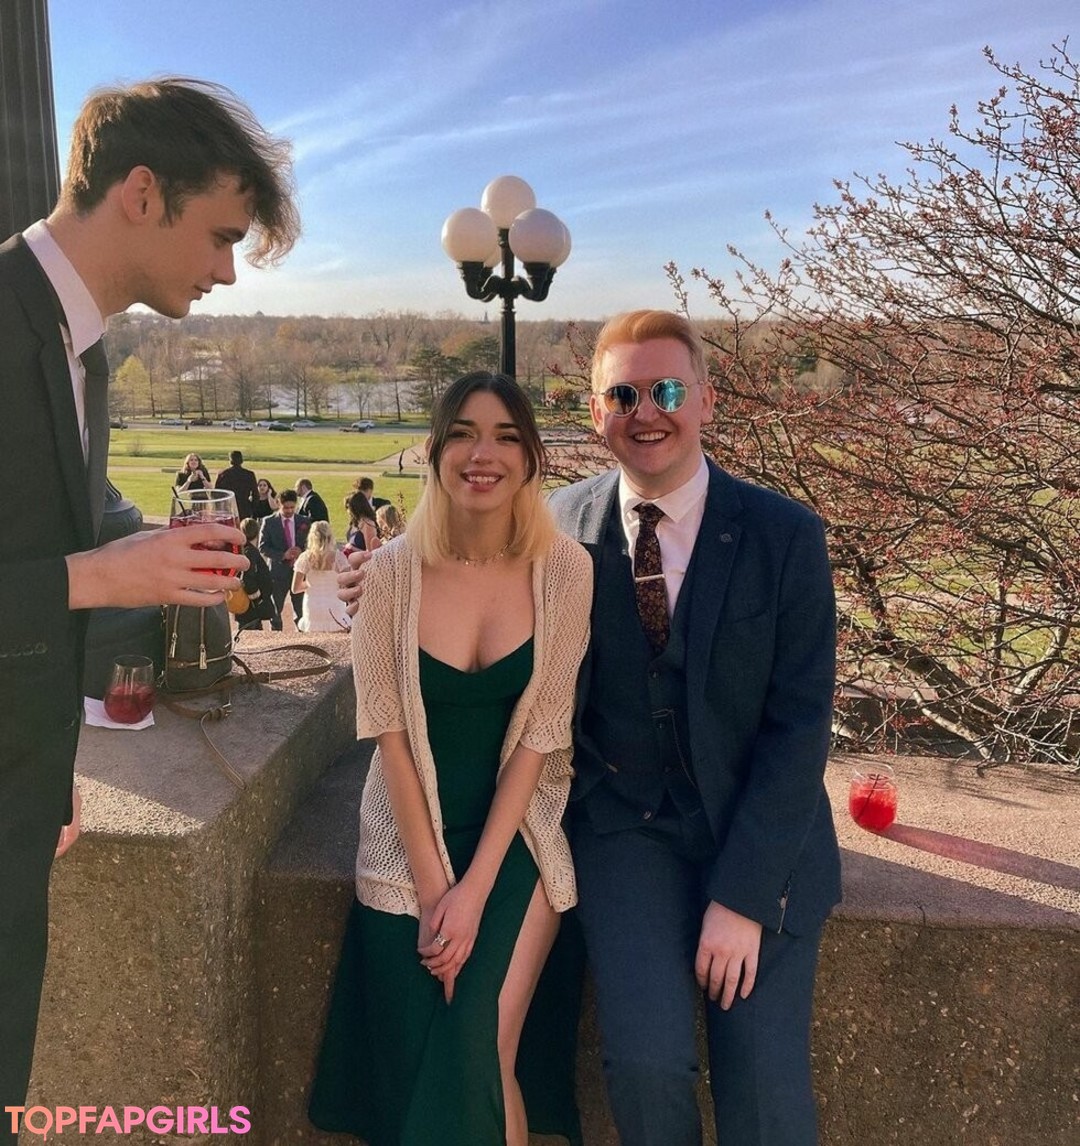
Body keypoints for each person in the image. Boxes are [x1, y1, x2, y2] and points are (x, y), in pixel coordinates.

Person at [0, 75, 297, 1131]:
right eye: (221, 236)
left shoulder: (80, 350)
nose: (226, 271)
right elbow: (66, 574)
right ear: (140, 193)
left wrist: (47, 769)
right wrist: (102, 577)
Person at [547, 310, 841, 1145]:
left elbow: (799, 726)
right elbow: (470, 587)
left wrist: (743, 898)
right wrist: (378, 583)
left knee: (764, 1095)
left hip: (757, 833)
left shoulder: (785, 537)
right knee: (645, 1068)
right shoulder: (558, 527)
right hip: (623, 830)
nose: (647, 412)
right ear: (596, 412)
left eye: (668, 391)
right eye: (623, 395)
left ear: (707, 399)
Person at [309, 372, 592, 1146]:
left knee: (478, 1045)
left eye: (506, 436)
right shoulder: (389, 574)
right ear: (434, 452)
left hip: (516, 836)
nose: (482, 453)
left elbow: (540, 737)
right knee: (417, 1065)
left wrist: (473, 897)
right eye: (463, 433)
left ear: (531, 459)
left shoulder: (566, 570)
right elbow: (390, 738)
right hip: (406, 843)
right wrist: (438, 894)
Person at [258, 489, 311, 630]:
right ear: (278, 504)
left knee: (300, 610)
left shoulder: (304, 521)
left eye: (292, 507)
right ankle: (277, 637)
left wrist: (302, 552)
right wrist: (283, 555)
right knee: (276, 611)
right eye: (286, 508)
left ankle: (302, 636)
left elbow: (311, 544)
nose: (289, 511)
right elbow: (262, 547)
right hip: (278, 573)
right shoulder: (269, 522)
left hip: (298, 572)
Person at [290, 521, 351, 632]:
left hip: (312, 605)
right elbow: (347, 584)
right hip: (335, 604)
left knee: (314, 640)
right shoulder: (338, 557)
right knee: (338, 639)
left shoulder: (305, 557)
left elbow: (295, 588)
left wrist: (310, 584)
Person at [234, 518, 278, 631]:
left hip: (248, 606)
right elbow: (247, 578)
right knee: (249, 633)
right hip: (251, 608)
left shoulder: (244, 549)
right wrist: (258, 600)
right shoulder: (250, 552)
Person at [215, 449, 259, 520]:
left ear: (230, 460)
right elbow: (255, 495)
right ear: (241, 460)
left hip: (227, 508)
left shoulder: (223, 474)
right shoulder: (249, 474)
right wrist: (252, 509)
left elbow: (217, 494)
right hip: (244, 508)